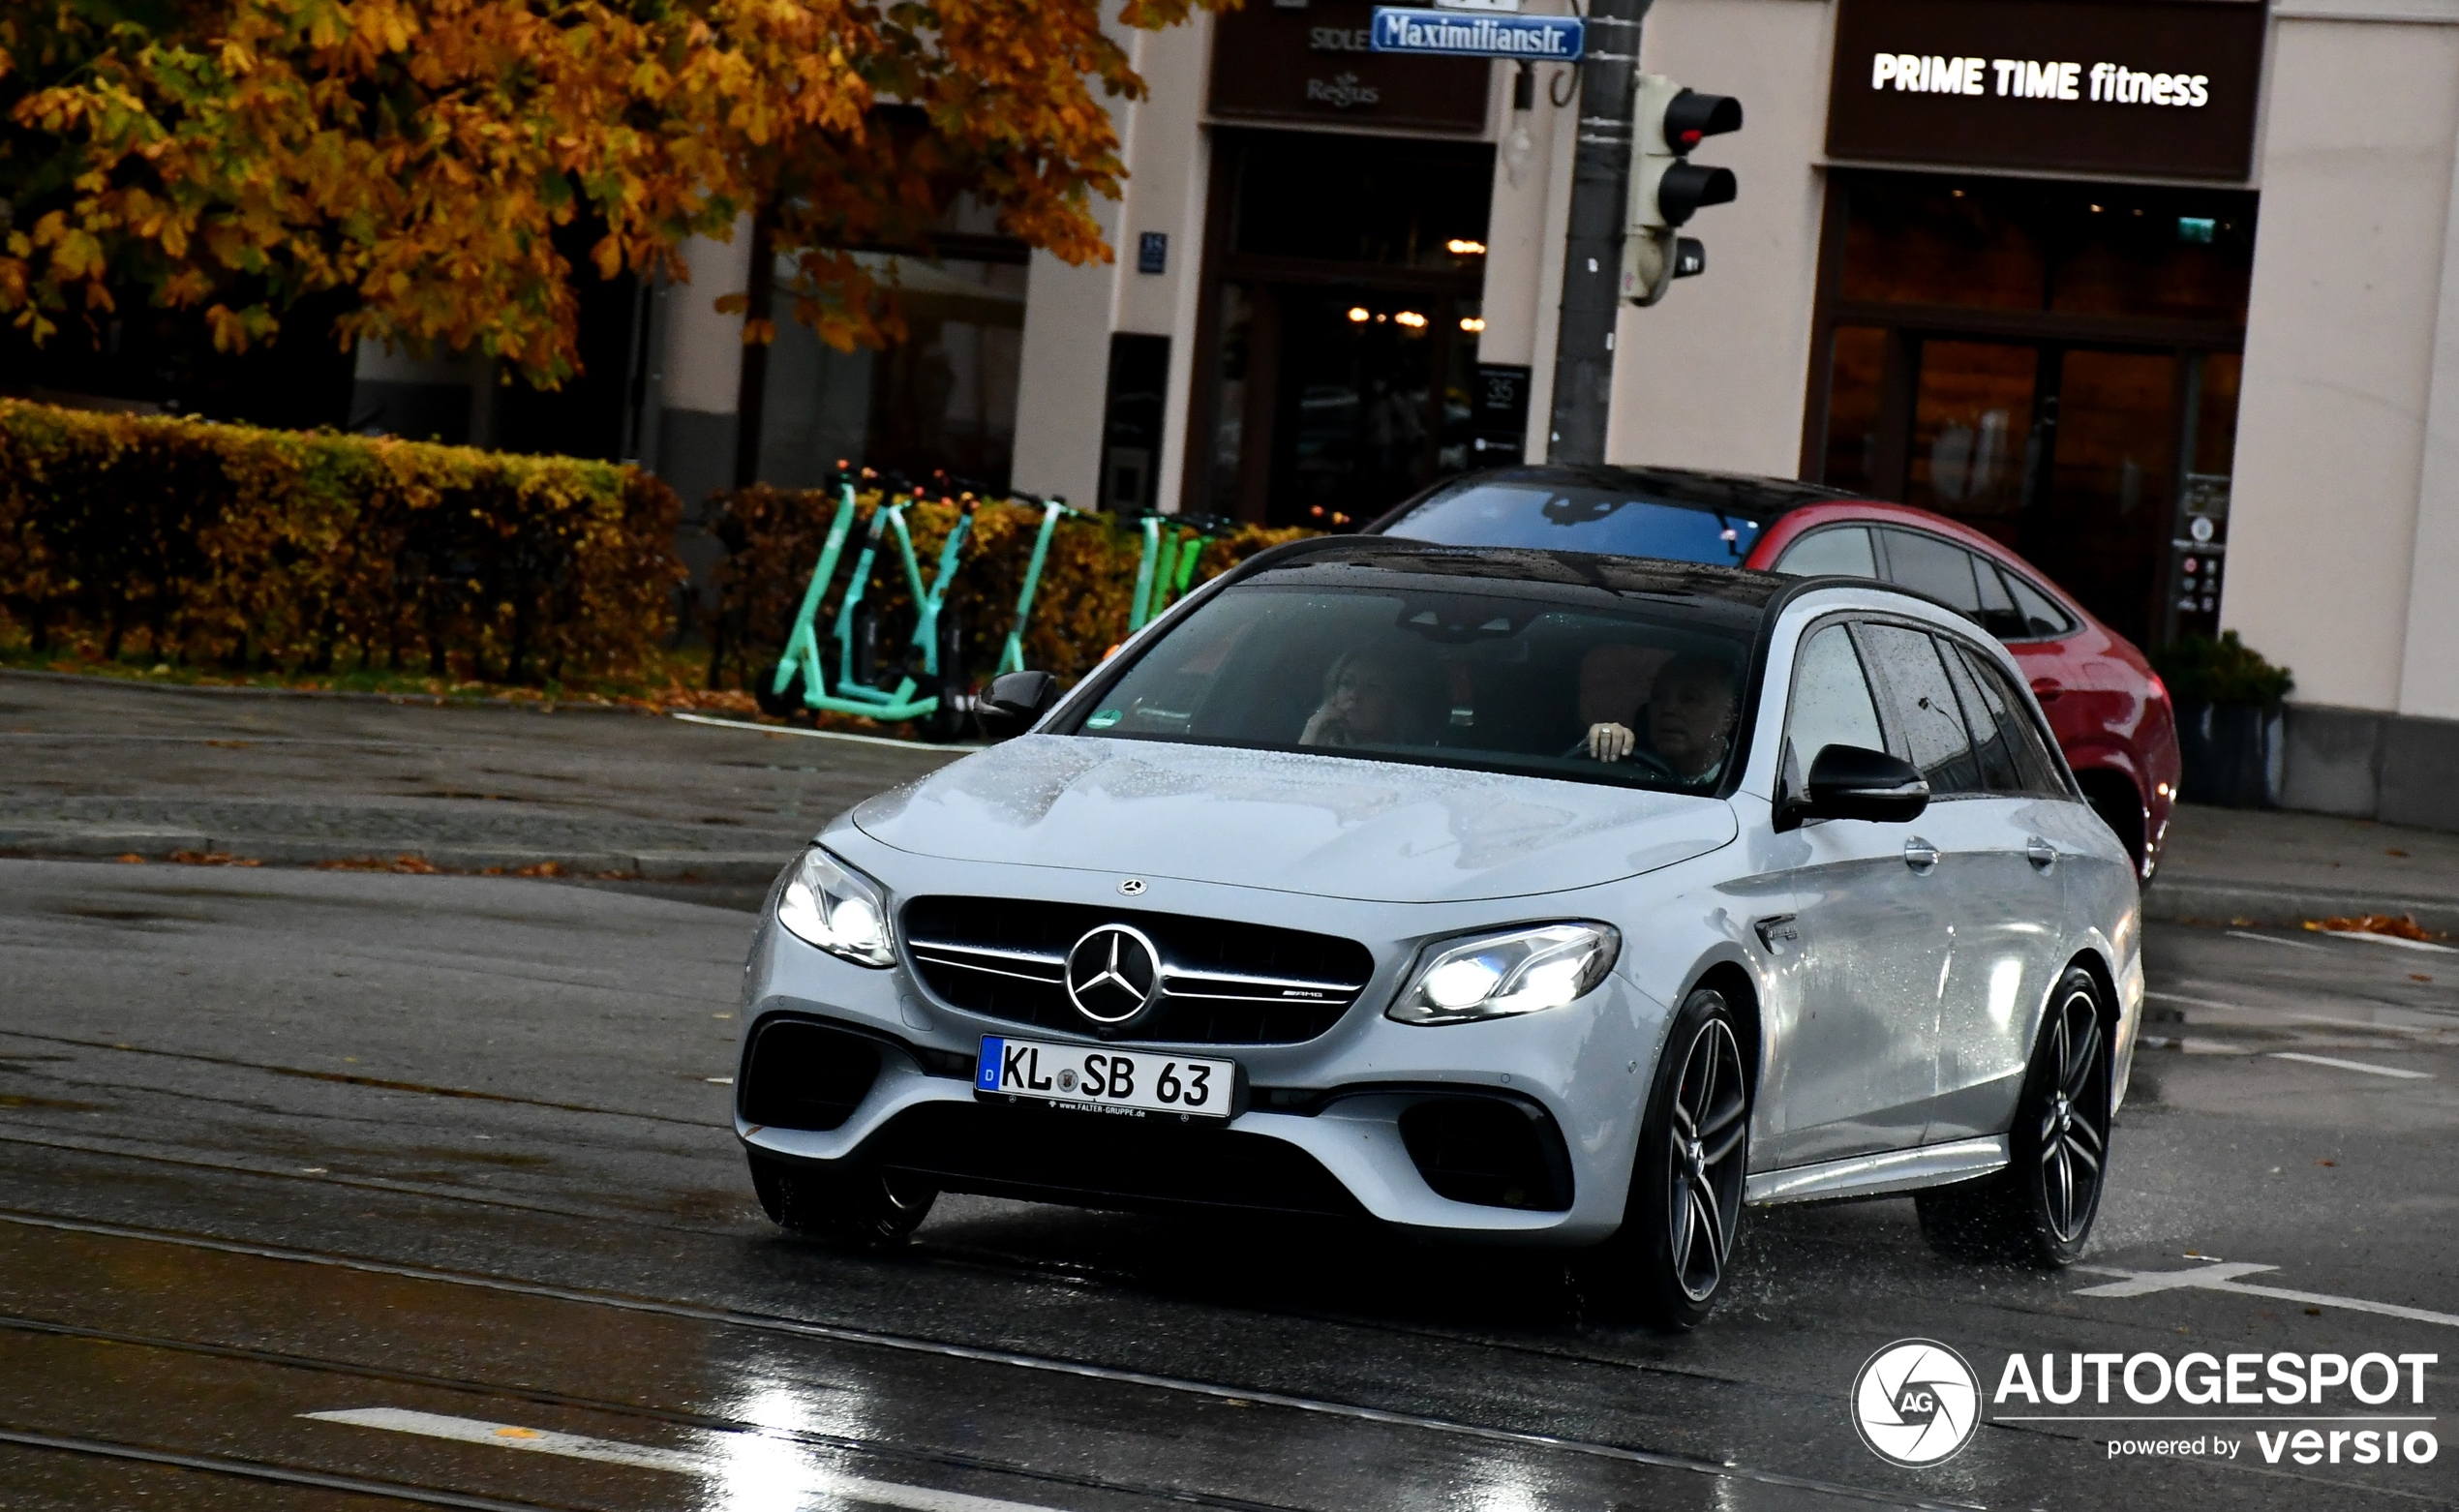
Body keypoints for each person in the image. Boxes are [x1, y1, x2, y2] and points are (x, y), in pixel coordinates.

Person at [1581, 650, 1737, 780]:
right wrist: (1604, 744)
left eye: (1689, 699)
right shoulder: (1626, 764)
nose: (1668, 708)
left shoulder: (1751, 779)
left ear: (1727, 719)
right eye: (1658, 696)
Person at [1300, 650, 1413, 748]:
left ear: (1391, 703)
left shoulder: (1411, 758)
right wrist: (1311, 735)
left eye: (1372, 687)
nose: (1354, 695)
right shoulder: (1318, 745)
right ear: (1333, 694)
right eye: (1347, 683)